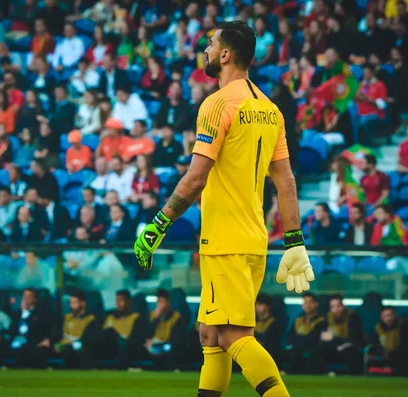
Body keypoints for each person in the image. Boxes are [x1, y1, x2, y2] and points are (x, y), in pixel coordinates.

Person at [134, 21, 313, 397]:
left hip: (224, 240)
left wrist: (157, 225)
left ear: (226, 55)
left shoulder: (216, 104)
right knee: (210, 334)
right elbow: (286, 181)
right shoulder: (271, 110)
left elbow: (196, 177)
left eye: (211, 44)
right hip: (252, 239)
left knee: (233, 336)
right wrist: (294, 240)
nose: (206, 49)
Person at [45, 290, 100, 369]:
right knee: (42, 349)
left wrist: (66, 345)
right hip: (61, 345)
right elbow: (60, 333)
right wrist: (49, 340)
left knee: (71, 351)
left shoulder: (90, 319)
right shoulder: (67, 317)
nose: (71, 306)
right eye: (71, 303)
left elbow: (86, 339)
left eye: (74, 303)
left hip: (75, 347)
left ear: (83, 303)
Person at [98, 290, 147, 369]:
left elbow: (135, 339)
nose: (118, 303)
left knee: (110, 332)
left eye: (121, 300)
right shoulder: (110, 317)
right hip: (107, 345)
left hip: (124, 345)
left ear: (128, 302)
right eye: (117, 300)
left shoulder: (135, 318)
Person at [317, 295, 365, 375]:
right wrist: (335, 344)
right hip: (333, 347)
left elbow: (353, 339)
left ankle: (354, 380)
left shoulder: (353, 316)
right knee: (318, 350)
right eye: (333, 307)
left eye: (338, 306)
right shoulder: (327, 317)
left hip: (350, 348)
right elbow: (324, 338)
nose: (336, 310)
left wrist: (333, 338)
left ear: (343, 306)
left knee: (351, 353)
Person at [145, 289, 187, 370]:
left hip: (168, 348)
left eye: (166, 301)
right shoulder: (151, 316)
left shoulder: (176, 317)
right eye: (160, 301)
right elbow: (146, 335)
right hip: (152, 348)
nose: (163, 305)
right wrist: (156, 319)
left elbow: (177, 340)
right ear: (157, 303)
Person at [8, 288, 50, 368]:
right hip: (16, 343)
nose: (26, 299)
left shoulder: (41, 314)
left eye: (29, 296)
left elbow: (40, 331)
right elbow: (11, 330)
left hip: (33, 344)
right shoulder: (16, 314)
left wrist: (27, 314)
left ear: (35, 299)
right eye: (24, 296)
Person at [368, 306, 408, 375]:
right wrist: (383, 353)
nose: (388, 318)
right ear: (381, 317)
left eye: (390, 315)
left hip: (399, 358)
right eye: (385, 316)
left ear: (395, 315)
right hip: (382, 357)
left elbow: (406, 344)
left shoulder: (403, 327)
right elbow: (374, 345)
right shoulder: (377, 329)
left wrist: (392, 353)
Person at [355, 64, 388, 146]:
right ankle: (355, 146)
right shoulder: (361, 85)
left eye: (367, 73)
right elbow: (356, 99)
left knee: (363, 121)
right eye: (364, 73)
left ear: (372, 73)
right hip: (360, 113)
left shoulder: (379, 85)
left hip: (375, 114)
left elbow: (383, 104)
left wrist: (369, 99)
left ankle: (368, 145)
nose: (365, 75)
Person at [254, 294, 283, 364]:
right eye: (256, 304)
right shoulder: (253, 321)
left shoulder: (274, 322)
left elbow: (272, 342)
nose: (256, 307)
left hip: (268, 354)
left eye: (259, 304)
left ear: (267, 306)